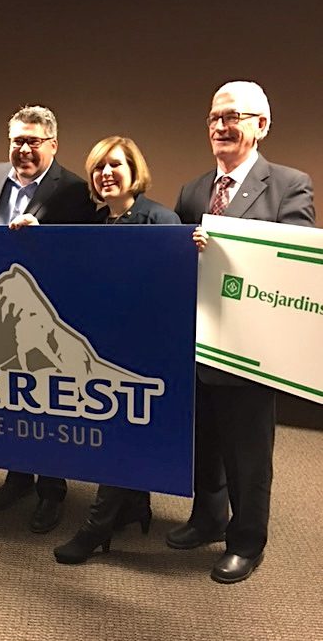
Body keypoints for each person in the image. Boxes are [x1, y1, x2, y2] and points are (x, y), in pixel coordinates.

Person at [166, 81, 315, 583]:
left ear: (261, 125)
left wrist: (228, 248)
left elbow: (294, 260)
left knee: (248, 452)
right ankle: (208, 518)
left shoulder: (289, 185)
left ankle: (247, 542)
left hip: (252, 347)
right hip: (199, 338)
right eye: (214, 117)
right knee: (204, 440)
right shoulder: (192, 190)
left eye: (234, 116)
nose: (221, 126)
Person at [41, 135, 180, 563]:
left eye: (115, 165)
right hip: (104, 343)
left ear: (134, 170)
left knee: (117, 437)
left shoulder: (161, 220)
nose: (106, 174)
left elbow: (171, 289)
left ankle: (96, 526)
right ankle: (134, 505)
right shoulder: (98, 222)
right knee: (118, 433)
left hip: (144, 349)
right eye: (98, 167)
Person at [0, 104, 96, 534]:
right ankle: (17, 477)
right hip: (2, 307)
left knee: (46, 403)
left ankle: (52, 490)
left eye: (33, 141)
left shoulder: (75, 190)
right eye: (17, 141)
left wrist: (44, 240)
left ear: (53, 145)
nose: (23, 149)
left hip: (48, 313)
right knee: (8, 398)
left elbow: (82, 253)